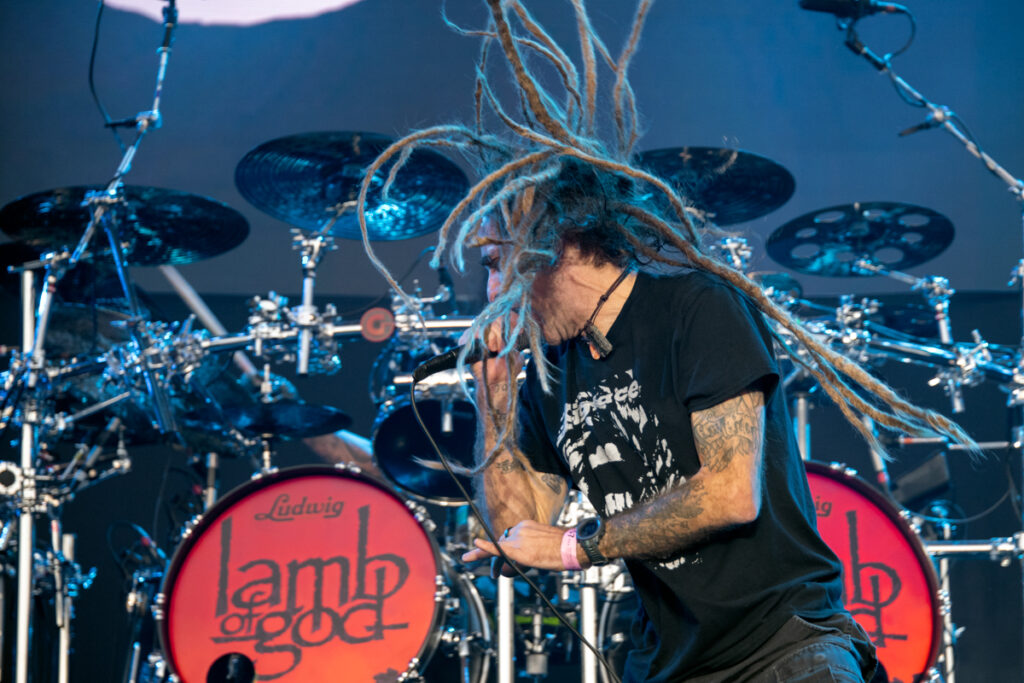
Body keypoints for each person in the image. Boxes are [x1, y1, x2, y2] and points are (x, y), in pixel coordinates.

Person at [352, 2, 975, 680]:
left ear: (549, 240)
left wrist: (576, 546)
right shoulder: (553, 372)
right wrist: (495, 396)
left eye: (496, 261)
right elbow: (518, 528)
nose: (491, 288)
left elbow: (731, 492)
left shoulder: (697, 307)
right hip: (672, 661)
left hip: (784, 646)